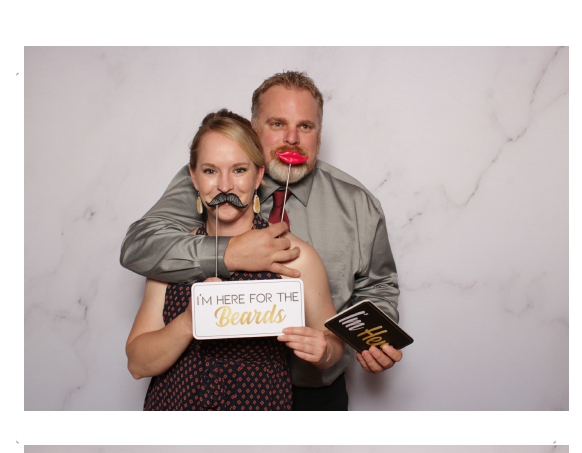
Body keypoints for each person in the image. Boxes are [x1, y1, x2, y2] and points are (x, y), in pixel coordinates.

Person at [121, 70, 403, 412]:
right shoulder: (209, 182)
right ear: (253, 129)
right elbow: (142, 246)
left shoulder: (357, 205)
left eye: (305, 126)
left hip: (310, 389)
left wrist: (372, 340)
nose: (292, 138)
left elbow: (377, 287)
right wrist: (229, 254)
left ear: (319, 134)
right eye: (277, 124)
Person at [125, 110, 344, 412]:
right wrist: (188, 322)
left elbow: (333, 343)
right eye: (210, 171)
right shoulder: (174, 256)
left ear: (258, 176)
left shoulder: (295, 256)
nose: (225, 186)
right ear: (193, 177)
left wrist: (324, 351)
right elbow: (137, 364)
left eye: (239, 170)